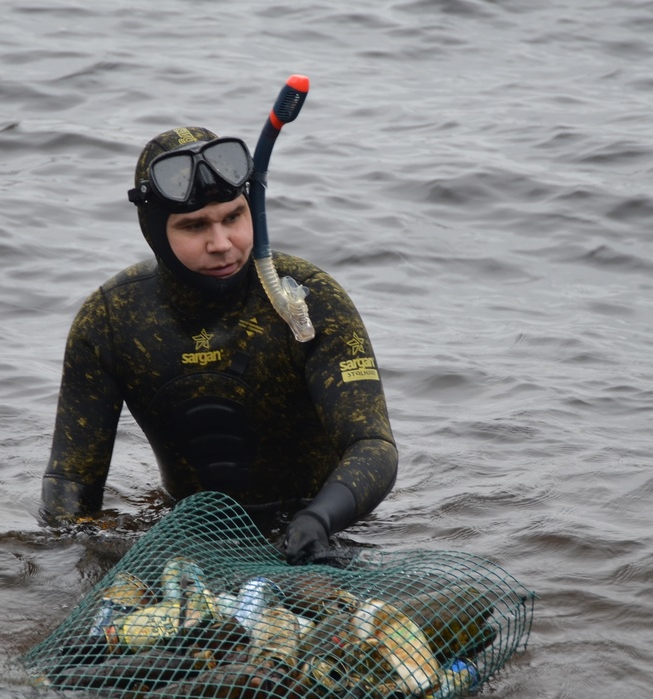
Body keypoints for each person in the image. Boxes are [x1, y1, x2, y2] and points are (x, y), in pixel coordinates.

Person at [40, 126, 397, 564]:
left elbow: (373, 446)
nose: (222, 244)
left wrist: (320, 519)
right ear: (154, 230)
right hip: (189, 534)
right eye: (194, 226)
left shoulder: (306, 297)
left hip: (324, 529)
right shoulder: (111, 320)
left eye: (234, 217)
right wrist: (78, 560)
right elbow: (70, 484)